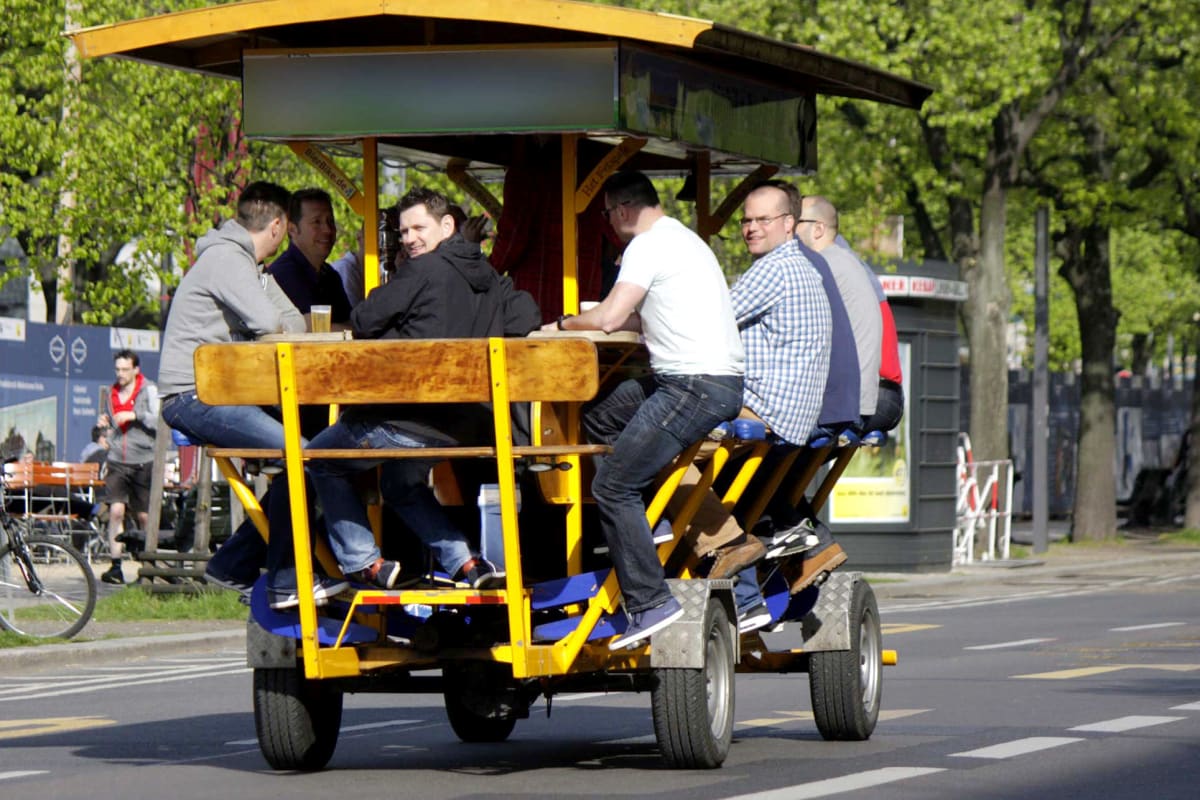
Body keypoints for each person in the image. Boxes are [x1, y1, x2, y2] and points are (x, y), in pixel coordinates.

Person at [296, 188, 540, 601]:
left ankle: (364, 562)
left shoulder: (422, 271)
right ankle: (465, 561)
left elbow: (363, 317)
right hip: (466, 425)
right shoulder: (489, 279)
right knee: (399, 483)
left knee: (320, 459)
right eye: (403, 230)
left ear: (448, 227)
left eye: (418, 228)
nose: (409, 238)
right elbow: (528, 315)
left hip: (407, 418)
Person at [547, 170, 744, 650]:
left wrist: (563, 322)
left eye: (608, 215)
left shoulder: (646, 245)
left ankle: (650, 601)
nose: (610, 225)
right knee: (597, 419)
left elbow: (612, 318)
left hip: (692, 385)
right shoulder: (685, 239)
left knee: (612, 485)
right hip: (699, 380)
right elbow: (641, 314)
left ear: (620, 209)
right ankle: (642, 524)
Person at [159, 181, 348, 605]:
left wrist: (275, 306)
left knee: (308, 454)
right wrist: (274, 309)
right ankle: (284, 578)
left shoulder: (248, 267)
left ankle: (236, 564)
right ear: (280, 226)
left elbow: (294, 324)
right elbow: (271, 322)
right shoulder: (228, 261)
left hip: (218, 393)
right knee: (306, 455)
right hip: (194, 397)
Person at [797, 196, 883, 430]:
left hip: (843, 406)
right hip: (859, 400)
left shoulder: (824, 266)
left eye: (796, 219)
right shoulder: (845, 261)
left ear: (818, 228)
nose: (790, 227)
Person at [96, 350, 159, 585]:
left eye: (125, 369)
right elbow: (107, 427)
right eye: (117, 369)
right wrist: (104, 429)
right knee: (116, 512)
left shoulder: (148, 390)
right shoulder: (110, 393)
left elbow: (159, 419)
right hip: (117, 459)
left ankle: (148, 567)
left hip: (143, 458)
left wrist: (135, 414)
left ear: (136, 370)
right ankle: (115, 566)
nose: (120, 374)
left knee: (144, 515)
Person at [266, 188, 353, 328]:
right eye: (316, 222)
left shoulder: (330, 276)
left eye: (330, 221)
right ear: (292, 229)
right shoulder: (282, 276)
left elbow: (352, 326)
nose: (328, 230)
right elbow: (310, 330)